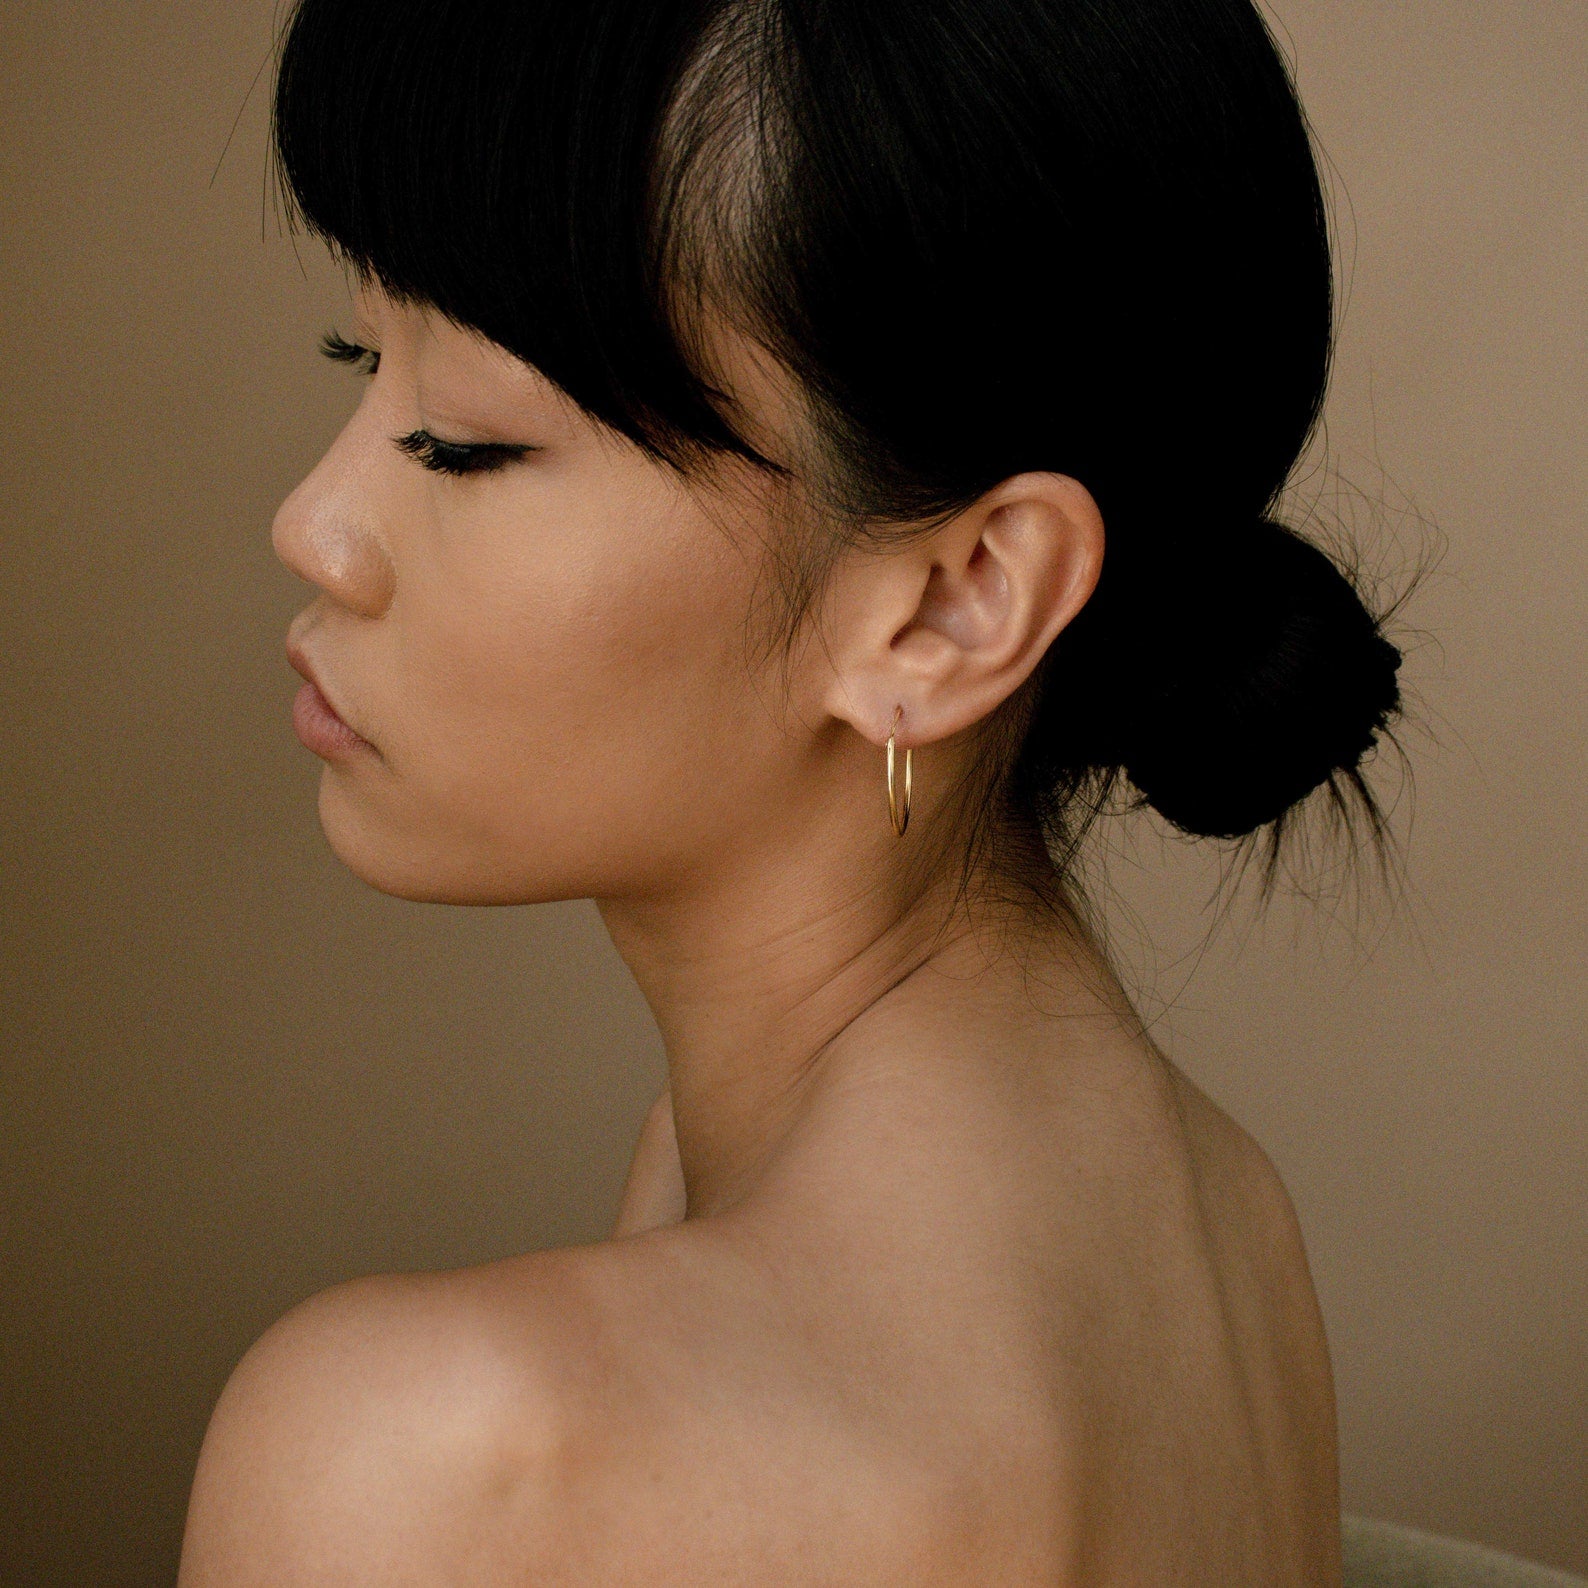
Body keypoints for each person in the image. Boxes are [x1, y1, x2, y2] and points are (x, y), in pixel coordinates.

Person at [179, 0, 1405, 1581]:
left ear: (952, 604)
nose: (314, 525)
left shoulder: (444, 1451)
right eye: (362, 351)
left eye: (463, 441)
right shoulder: (1219, 1223)